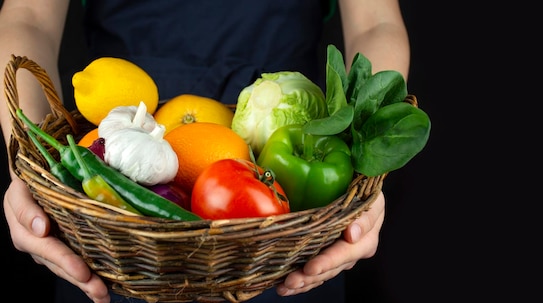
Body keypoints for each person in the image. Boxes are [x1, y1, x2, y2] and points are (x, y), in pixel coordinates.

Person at [0, 0, 409, 302]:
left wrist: (364, 173)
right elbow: (28, 16)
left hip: (290, 236)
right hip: (110, 232)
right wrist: (29, 162)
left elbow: (375, 23)